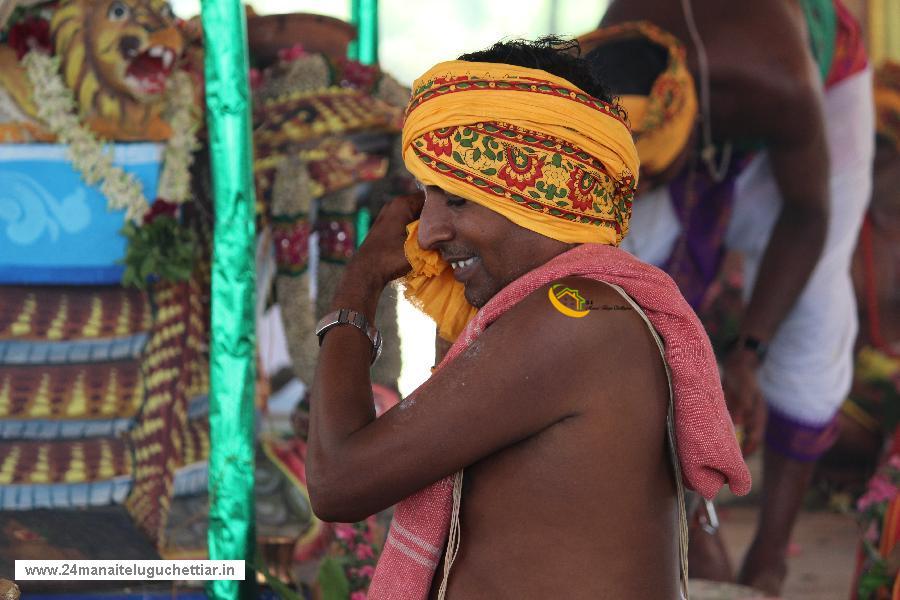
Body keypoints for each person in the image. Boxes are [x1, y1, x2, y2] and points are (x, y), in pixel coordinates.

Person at [306, 37, 750, 599]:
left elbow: (338, 482)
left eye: (457, 201)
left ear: (547, 195)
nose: (430, 231)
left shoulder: (573, 322)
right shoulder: (555, 316)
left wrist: (359, 283)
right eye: (428, 198)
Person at [582, 0, 872, 594]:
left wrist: (749, 349)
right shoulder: (598, 71)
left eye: (658, 171)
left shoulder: (776, 84)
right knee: (626, 272)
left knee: (814, 307)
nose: (652, 186)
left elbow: (808, 215)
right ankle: (690, 525)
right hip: (687, 109)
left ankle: (769, 559)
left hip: (820, 88)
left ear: (687, 115)